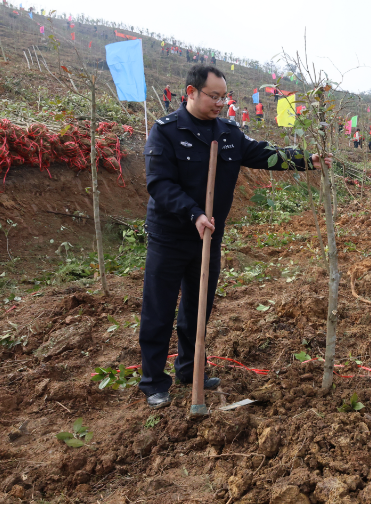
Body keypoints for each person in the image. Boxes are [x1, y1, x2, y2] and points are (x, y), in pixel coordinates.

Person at [139, 65, 331, 409]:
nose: (220, 103)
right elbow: (159, 183)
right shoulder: (165, 131)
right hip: (171, 234)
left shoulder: (227, 133)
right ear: (191, 92)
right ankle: (154, 381)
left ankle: (189, 368)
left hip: (209, 238)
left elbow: (263, 154)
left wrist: (307, 160)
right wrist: (193, 212)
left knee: (199, 307)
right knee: (159, 308)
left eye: (223, 96)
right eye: (214, 96)